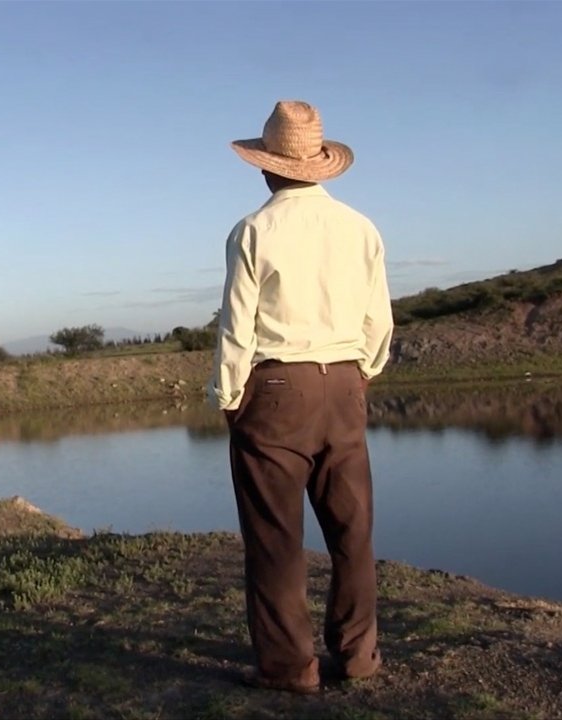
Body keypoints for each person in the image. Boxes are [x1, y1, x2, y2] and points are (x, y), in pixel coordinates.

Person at [210, 100, 394, 694]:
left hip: (275, 388)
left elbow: (237, 327)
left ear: (266, 168)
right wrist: (360, 373)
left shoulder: (254, 230)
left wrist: (230, 395)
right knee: (352, 532)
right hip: (343, 383)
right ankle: (359, 656)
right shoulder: (361, 228)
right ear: (319, 164)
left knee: (275, 538)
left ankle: (291, 668)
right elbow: (379, 323)